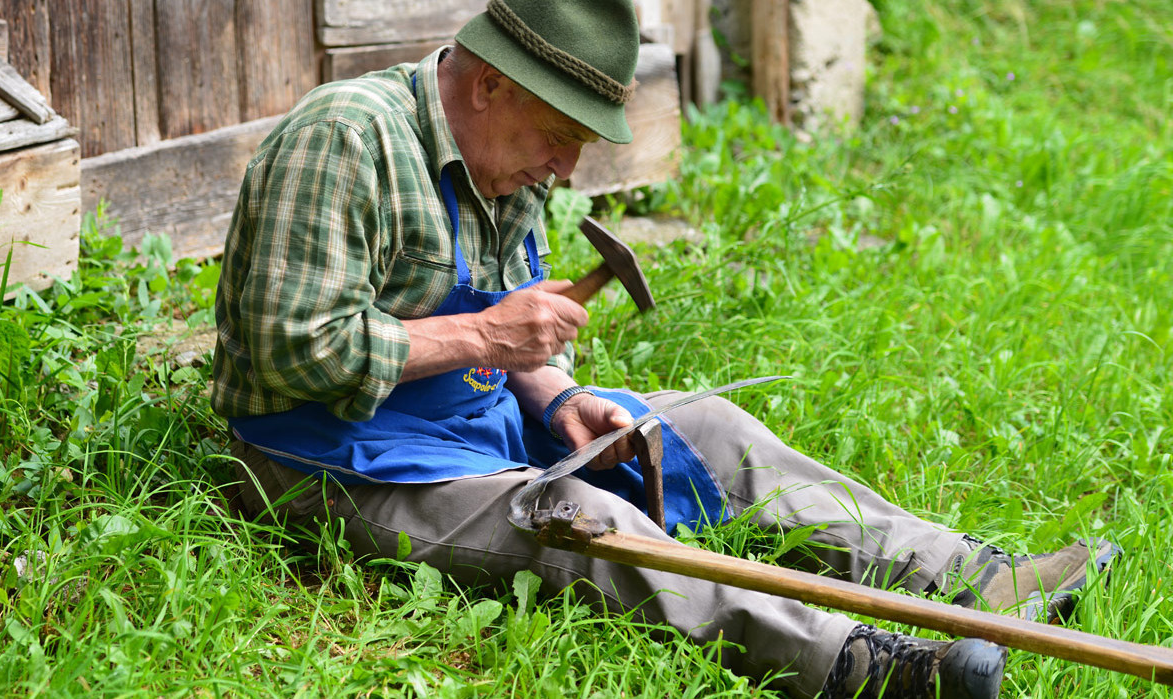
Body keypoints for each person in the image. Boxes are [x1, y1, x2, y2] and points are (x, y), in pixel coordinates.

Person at [209, 0, 1117, 696]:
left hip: (468, 419)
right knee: (580, 520)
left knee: (708, 428)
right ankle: (859, 660)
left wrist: (554, 395)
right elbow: (291, 348)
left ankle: (971, 575)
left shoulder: (502, 155)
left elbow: (499, 327)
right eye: (560, 137)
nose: (565, 172)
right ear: (489, 86)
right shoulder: (347, 141)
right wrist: (489, 335)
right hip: (328, 450)